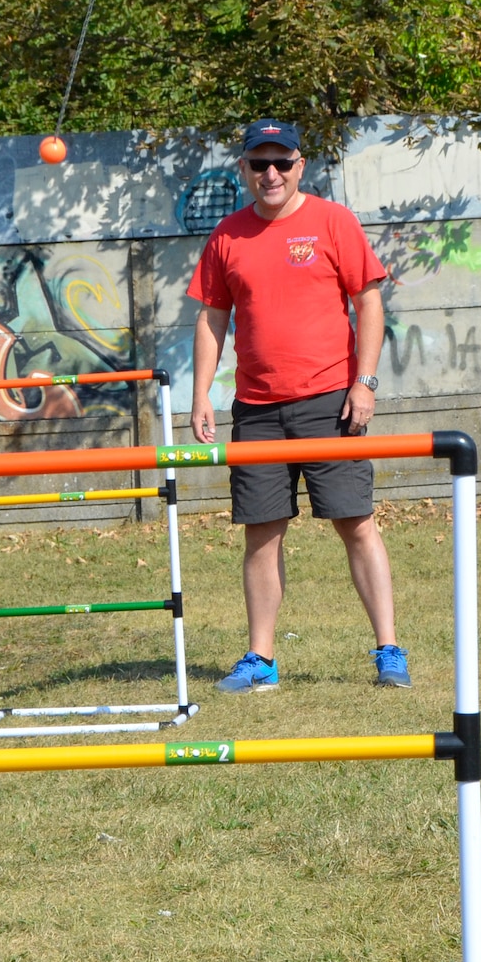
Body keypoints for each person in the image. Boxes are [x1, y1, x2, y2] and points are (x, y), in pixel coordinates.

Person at [188, 119, 409, 693]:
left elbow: (368, 301)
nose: (271, 174)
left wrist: (365, 383)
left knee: (355, 523)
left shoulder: (333, 221)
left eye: (281, 162)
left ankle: (388, 649)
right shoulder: (227, 236)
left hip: (329, 402)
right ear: (244, 170)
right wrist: (201, 395)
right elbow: (213, 318)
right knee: (262, 532)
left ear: (300, 166)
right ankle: (261, 659)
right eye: (259, 163)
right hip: (256, 410)